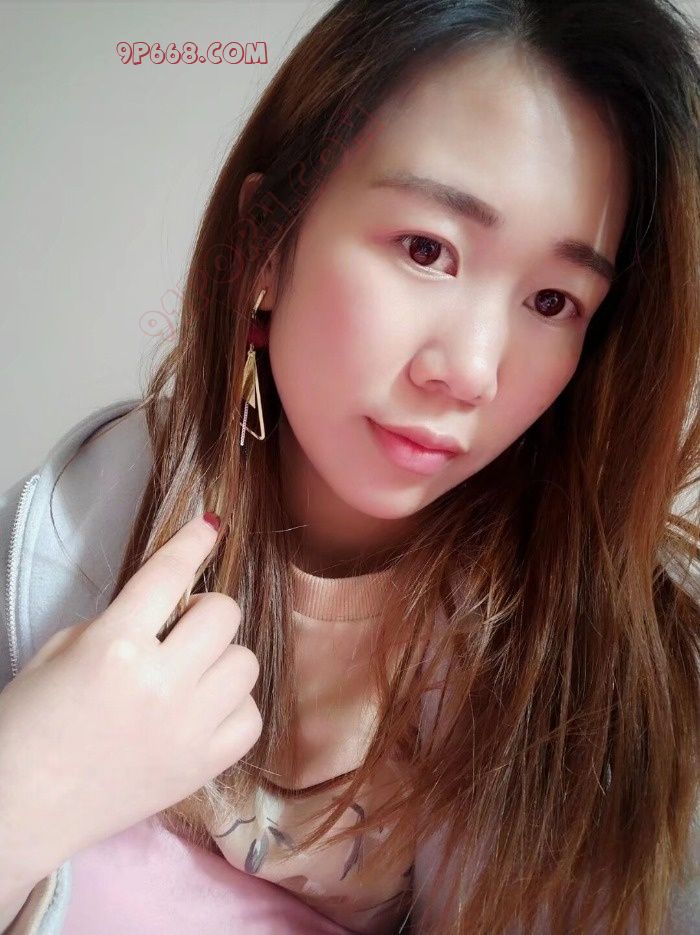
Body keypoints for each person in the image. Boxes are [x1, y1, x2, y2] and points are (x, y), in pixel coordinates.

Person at [1, 0, 700, 932]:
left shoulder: (623, 664)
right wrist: (25, 789)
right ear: (266, 243)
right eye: (427, 249)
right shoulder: (74, 531)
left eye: (551, 300)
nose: (472, 371)